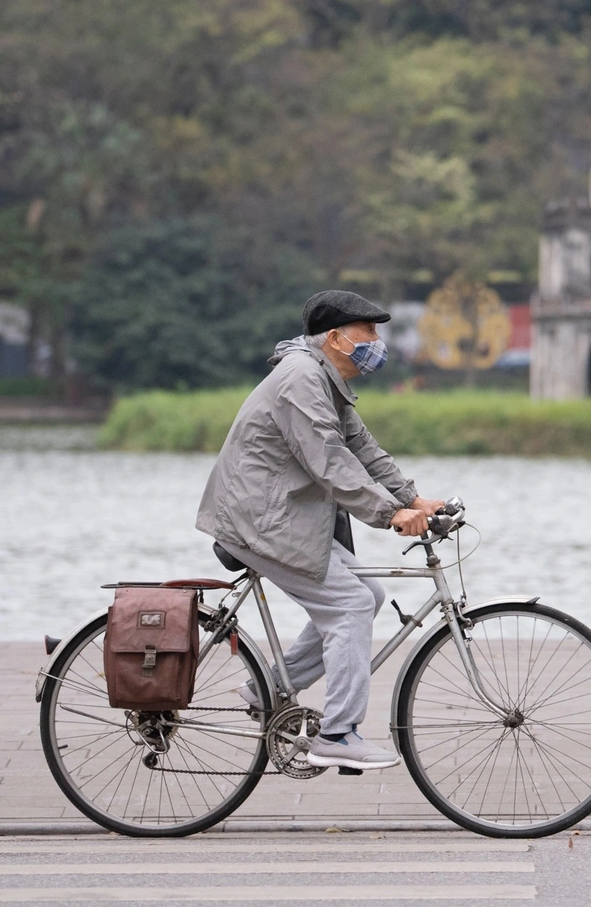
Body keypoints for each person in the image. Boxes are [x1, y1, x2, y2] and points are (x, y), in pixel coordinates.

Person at [195, 290, 444, 771]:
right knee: (349, 605)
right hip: (258, 522)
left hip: (284, 518)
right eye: (368, 332)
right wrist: (388, 513)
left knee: (366, 595)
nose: (377, 342)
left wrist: (412, 499)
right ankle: (338, 734)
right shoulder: (301, 379)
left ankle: (264, 687)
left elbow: (362, 449)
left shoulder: (325, 379)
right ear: (335, 338)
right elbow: (329, 462)